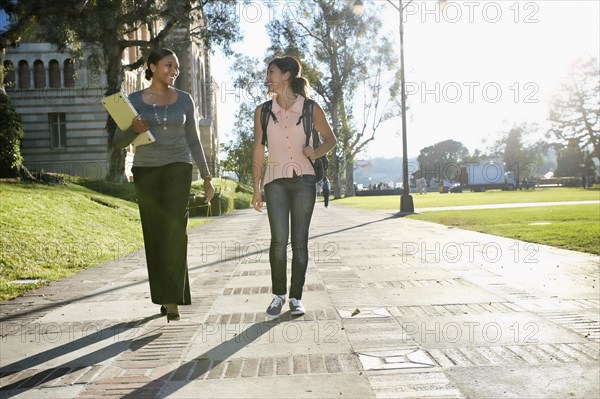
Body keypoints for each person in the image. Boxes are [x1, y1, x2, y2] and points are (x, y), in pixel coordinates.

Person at [113, 48, 214, 322]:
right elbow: (117, 143)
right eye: (169, 65)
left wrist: (206, 176)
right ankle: (163, 295)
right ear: (153, 67)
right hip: (146, 171)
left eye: (177, 68)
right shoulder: (133, 101)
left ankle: (172, 299)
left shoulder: (185, 100)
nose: (174, 71)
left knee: (175, 231)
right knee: (154, 234)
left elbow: (194, 140)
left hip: (178, 167)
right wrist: (133, 130)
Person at [252, 56, 336, 319]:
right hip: (274, 181)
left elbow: (331, 139)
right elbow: (258, 148)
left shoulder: (310, 108)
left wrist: (316, 150)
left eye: (272, 72)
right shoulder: (263, 111)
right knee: (278, 241)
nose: (267, 77)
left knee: (299, 242)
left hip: (304, 180)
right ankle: (278, 296)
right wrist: (256, 187)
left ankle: (296, 297)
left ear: (287, 75)